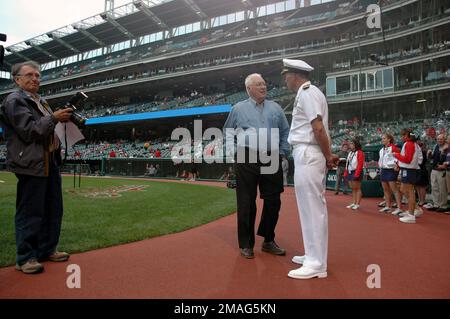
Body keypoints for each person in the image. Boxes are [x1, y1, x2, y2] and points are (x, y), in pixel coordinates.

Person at [0, 61, 73, 274]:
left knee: (53, 208)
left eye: (38, 75)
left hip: (49, 160)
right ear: (17, 79)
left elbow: (48, 127)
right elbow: (30, 131)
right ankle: (25, 257)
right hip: (31, 162)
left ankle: (47, 249)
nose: (35, 79)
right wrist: (54, 117)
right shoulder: (14, 100)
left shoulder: (41, 100)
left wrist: (60, 120)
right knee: (30, 211)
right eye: (30, 75)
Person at [281, 58, 338, 279]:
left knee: (313, 209)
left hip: (309, 152)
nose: (285, 79)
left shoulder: (308, 92)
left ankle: (316, 263)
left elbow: (318, 127)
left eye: (287, 75)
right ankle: (312, 254)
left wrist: (327, 155)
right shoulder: (307, 93)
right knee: (308, 208)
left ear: (295, 75)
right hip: (307, 152)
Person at [223, 73, 290, 259]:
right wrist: (233, 153)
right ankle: (246, 244)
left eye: (264, 83)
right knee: (246, 202)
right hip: (246, 157)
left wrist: (284, 151)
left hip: (272, 157)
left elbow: (285, 131)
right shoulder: (238, 108)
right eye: (258, 84)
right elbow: (228, 132)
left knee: (273, 201)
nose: (263, 86)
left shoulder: (275, 108)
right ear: (248, 89)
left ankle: (268, 240)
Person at [393, 129, 423, 223]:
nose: (402, 137)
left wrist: (396, 155)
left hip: (409, 170)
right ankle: (415, 210)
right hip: (409, 169)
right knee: (403, 189)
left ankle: (411, 215)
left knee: (410, 192)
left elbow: (407, 159)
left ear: (408, 136)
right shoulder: (414, 144)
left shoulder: (409, 144)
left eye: (403, 135)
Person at [378, 133, 402, 214]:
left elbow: (399, 158)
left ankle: (399, 207)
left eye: (384, 138)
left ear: (389, 139)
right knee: (385, 190)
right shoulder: (381, 150)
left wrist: (397, 165)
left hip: (391, 170)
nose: (382, 140)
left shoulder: (394, 148)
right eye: (382, 138)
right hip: (383, 170)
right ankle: (388, 206)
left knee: (394, 189)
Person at [427, 134, 448, 212]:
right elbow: (433, 157)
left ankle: (443, 205)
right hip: (434, 169)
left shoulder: (447, 147)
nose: (439, 140)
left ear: (444, 139)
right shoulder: (436, 146)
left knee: (442, 188)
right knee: (434, 187)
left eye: (441, 139)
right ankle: (436, 204)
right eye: (438, 139)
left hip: (442, 170)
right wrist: (430, 154)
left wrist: (444, 165)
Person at [344, 139, 365, 210]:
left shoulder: (360, 152)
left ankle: (357, 204)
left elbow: (360, 164)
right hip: (350, 171)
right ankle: (353, 202)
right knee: (353, 188)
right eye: (350, 144)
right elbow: (347, 163)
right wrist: (346, 172)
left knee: (357, 188)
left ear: (356, 144)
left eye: (351, 143)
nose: (350, 145)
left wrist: (357, 173)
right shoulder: (350, 153)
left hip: (356, 171)